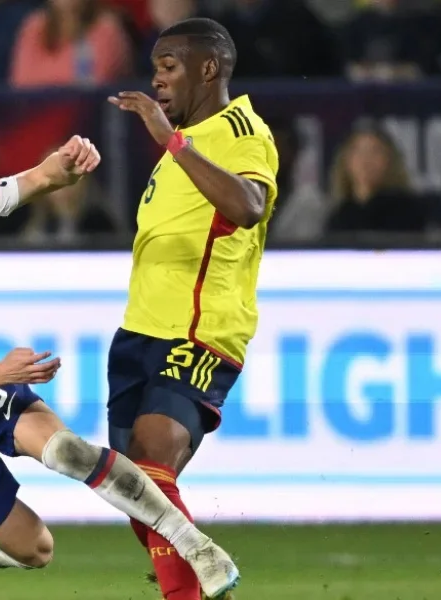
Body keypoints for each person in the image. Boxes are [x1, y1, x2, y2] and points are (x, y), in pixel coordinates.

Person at [0, 131, 240, 600]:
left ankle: (198, 548)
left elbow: (37, 179)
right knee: (36, 549)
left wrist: (68, 162)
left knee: (68, 450)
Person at [106, 17, 279, 600]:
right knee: (134, 489)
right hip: (138, 333)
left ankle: (196, 585)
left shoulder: (241, 130)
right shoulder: (183, 142)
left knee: (151, 456)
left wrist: (172, 141)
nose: (156, 79)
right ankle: (192, 585)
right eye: (154, 66)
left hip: (199, 332)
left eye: (169, 66)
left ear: (209, 69)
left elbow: (249, 205)